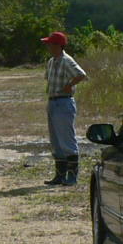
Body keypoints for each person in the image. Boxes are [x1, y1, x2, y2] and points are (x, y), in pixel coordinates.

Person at [41, 31, 87, 185]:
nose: (48, 46)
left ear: (58, 45)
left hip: (64, 102)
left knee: (67, 140)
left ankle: (72, 176)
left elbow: (81, 74)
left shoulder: (67, 60)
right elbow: (49, 79)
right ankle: (59, 175)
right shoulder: (51, 61)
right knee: (55, 141)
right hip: (53, 101)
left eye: (50, 43)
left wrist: (69, 85)